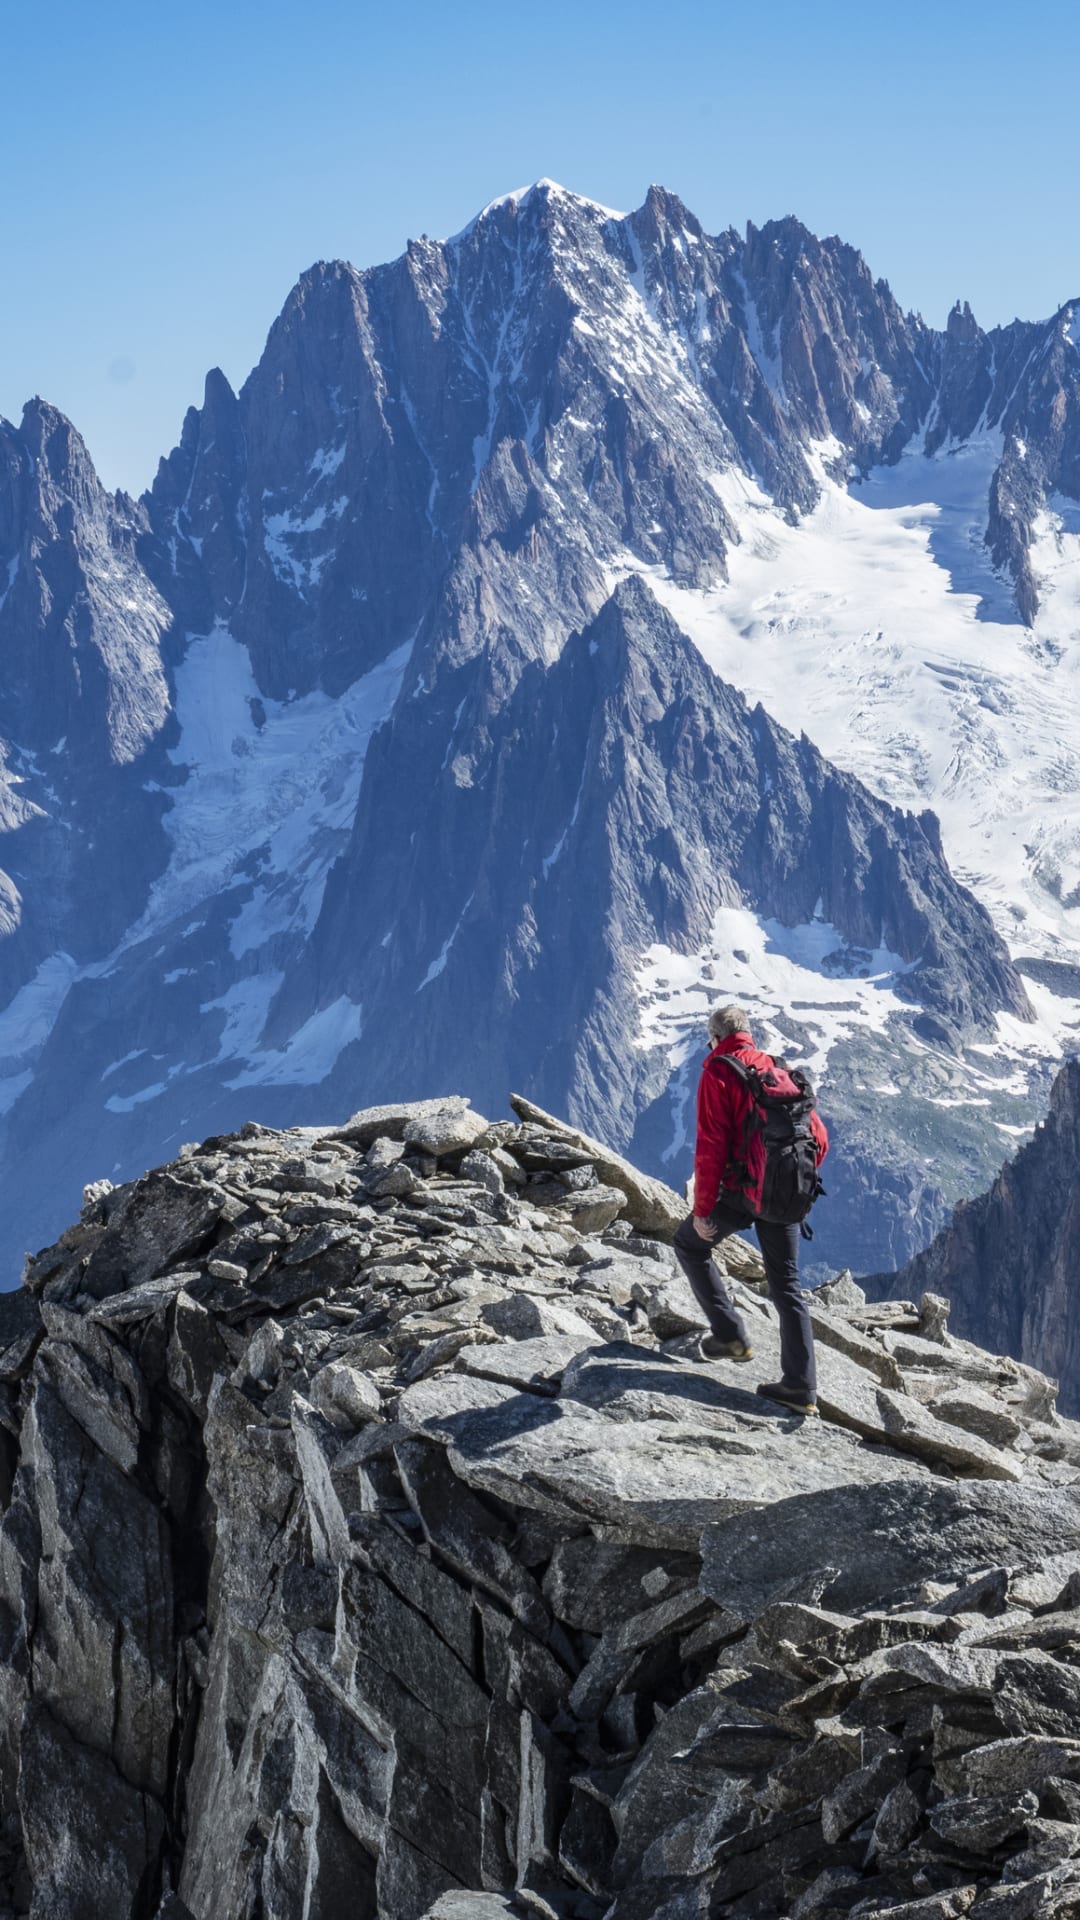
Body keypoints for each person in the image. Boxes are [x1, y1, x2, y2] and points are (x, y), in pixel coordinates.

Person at [673, 1004, 828, 1416]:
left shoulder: (719, 1072)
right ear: (749, 1033)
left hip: (742, 1193)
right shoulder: (778, 1069)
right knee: (787, 1287)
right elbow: (819, 1140)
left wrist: (704, 1211)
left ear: (715, 1037)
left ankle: (729, 1336)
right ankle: (801, 1387)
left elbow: (710, 1149)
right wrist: (791, 1183)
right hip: (786, 1197)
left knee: (689, 1243)